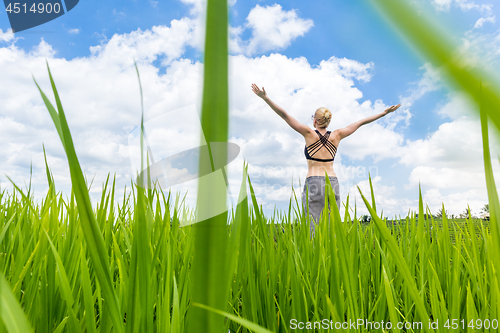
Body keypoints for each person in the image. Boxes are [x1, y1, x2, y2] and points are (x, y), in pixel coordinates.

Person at [251, 83, 400, 236]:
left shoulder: (309, 133)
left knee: (312, 227)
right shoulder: (338, 134)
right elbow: (360, 122)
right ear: (328, 121)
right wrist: (383, 113)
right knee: (331, 227)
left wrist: (266, 98)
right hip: (332, 181)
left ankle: (315, 257)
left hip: (314, 181)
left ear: (315, 120)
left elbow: (284, 115)